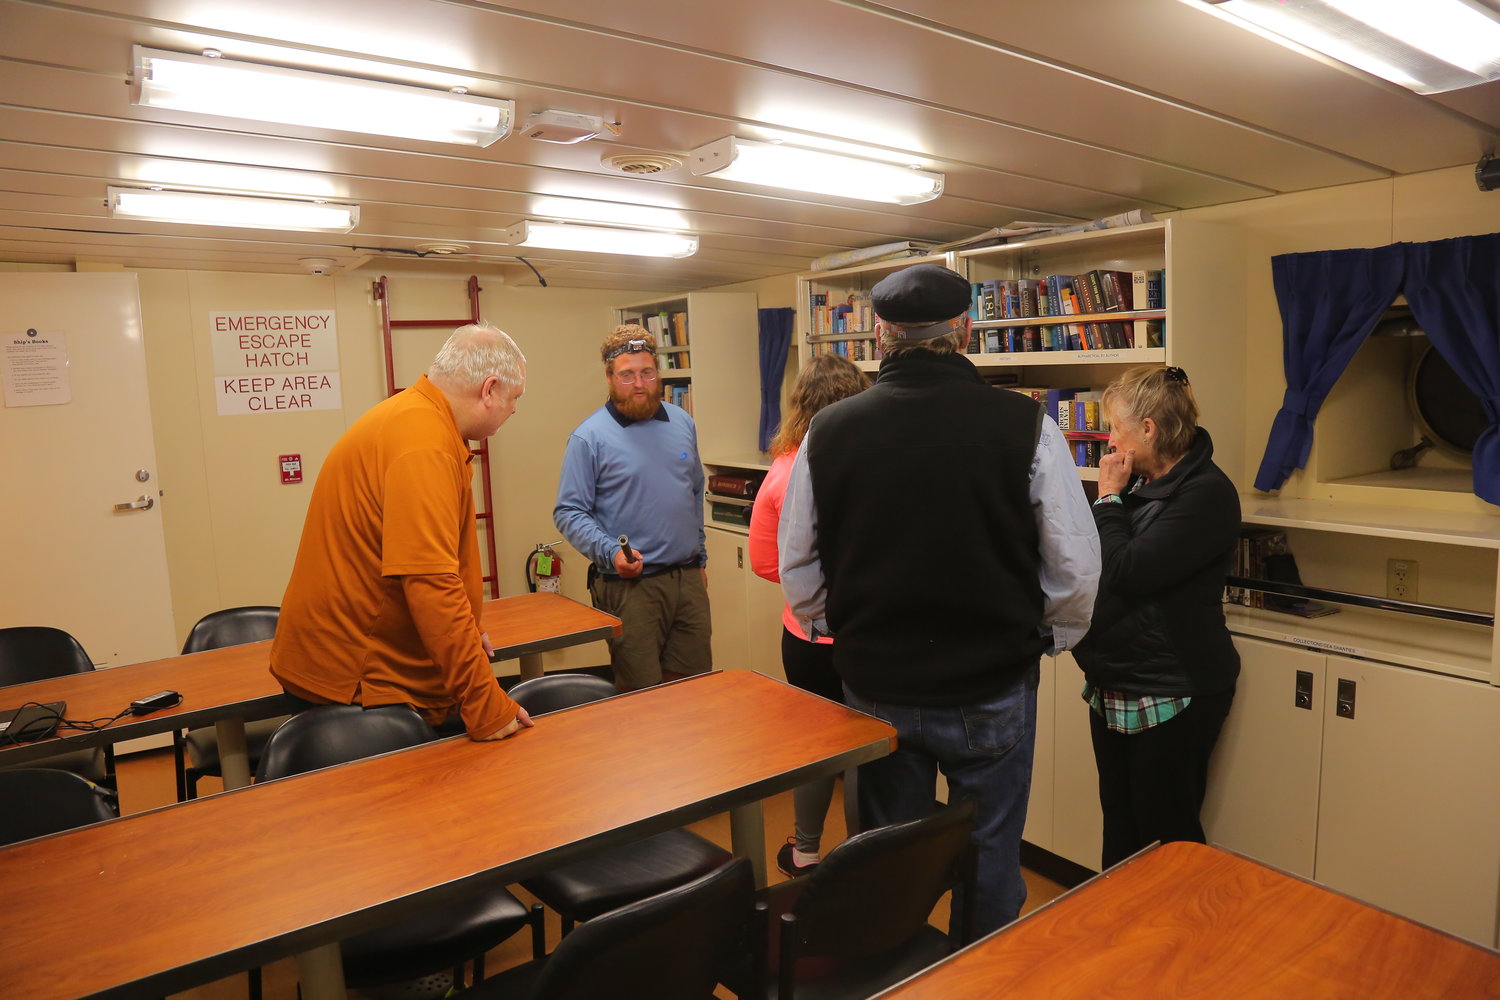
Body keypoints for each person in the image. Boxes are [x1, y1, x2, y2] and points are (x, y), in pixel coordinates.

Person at [778, 263, 1099, 938]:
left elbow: (798, 562)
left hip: (877, 683)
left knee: (891, 858)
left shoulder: (828, 432)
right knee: (990, 854)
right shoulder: (1026, 425)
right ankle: (981, 975)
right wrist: (1047, 636)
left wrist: (844, 627)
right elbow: (1072, 561)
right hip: (991, 683)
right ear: (966, 330)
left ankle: (899, 970)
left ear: (879, 335)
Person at [269, 322, 533, 741]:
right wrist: (485, 704)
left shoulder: (416, 417)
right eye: (515, 397)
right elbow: (430, 584)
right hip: (356, 675)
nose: (515, 409)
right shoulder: (425, 444)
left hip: (356, 658)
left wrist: (468, 627)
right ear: (489, 390)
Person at [1073, 365, 1241, 869]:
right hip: (1117, 681)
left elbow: (1128, 571)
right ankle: (1117, 920)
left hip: (1172, 688)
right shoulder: (1140, 482)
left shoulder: (1205, 493)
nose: (1110, 441)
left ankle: (1176, 924)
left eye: (1115, 428)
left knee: (1166, 836)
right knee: (1120, 827)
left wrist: (1106, 498)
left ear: (1148, 429)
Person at [748, 354, 871, 878]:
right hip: (866, 633)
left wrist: (810, 582)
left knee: (815, 747)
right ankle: (864, 861)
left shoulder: (783, 470)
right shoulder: (874, 467)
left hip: (807, 637)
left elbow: (764, 562)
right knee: (866, 748)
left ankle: (805, 851)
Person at [554, 324, 711, 690]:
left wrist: (700, 559)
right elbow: (569, 512)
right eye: (627, 375)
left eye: (647, 373)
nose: (639, 384)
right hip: (631, 588)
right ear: (610, 377)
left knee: (696, 691)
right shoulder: (589, 438)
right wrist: (611, 552)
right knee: (642, 698)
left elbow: (693, 492)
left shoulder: (682, 422)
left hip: (687, 580)